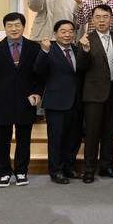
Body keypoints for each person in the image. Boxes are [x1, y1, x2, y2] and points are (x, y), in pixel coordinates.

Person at [0, 12, 42, 187]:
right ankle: (4, 173)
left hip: (26, 101)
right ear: (5, 28)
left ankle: (21, 172)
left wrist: (38, 92)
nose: (14, 29)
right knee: (2, 140)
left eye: (17, 25)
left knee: (24, 140)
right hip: (3, 101)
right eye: (10, 26)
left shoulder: (34, 47)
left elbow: (40, 74)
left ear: (23, 27)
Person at [76, 5, 113, 183]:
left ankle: (106, 166)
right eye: (97, 17)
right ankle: (89, 169)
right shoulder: (86, 39)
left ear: (111, 19)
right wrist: (85, 49)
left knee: (110, 132)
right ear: (92, 20)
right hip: (93, 94)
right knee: (92, 133)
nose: (101, 20)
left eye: (105, 17)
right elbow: (81, 66)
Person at [33, 20, 83, 184]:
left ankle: (70, 168)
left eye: (70, 31)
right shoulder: (49, 50)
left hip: (76, 101)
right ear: (54, 33)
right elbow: (38, 70)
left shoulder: (77, 50)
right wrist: (44, 51)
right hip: (56, 102)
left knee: (73, 138)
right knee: (56, 139)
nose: (67, 34)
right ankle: (56, 171)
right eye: (63, 31)